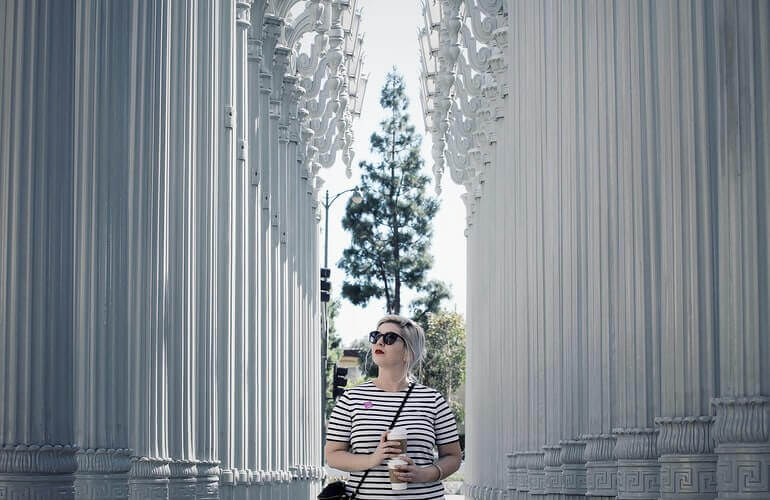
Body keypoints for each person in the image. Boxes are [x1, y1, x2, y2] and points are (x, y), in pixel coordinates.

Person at [325, 314, 463, 499]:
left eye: (390, 338)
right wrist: (373, 459)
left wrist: (424, 474)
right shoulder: (351, 399)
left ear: (408, 352)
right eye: (376, 336)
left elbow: (453, 457)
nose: (379, 342)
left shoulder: (433, 400)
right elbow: (333, 455)